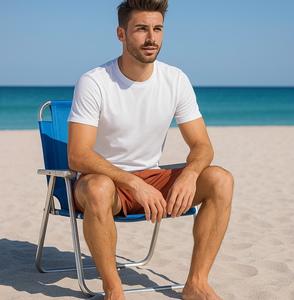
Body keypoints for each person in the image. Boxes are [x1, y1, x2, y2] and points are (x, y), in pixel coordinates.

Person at [67, 0, 234, 299]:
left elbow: (201, 145)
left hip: (154, 181)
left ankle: (196, 283)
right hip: (105, 185)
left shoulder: (175, 80)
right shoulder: (94, 82)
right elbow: (78, 155)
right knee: (98, 189)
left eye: (157, 29)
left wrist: (189, 175)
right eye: (141, 29)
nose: (151, 38)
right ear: (121, 34)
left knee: (220, 179)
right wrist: (132, 182)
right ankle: (113, 288)